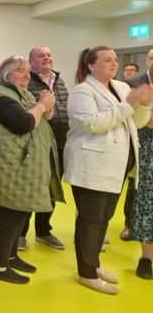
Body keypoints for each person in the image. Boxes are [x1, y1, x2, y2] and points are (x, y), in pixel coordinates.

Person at [64, 46, 153, 294]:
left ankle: (93, 263)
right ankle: (86, 273)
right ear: (91, 66)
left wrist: (143, 105)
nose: (113, 63)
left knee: (104, 219)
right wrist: (131, 103)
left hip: (117, 165)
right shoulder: (81, 91)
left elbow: (133, 121)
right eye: (107, 60)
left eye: (115, 59)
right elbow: (95, 123)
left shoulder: (121, 87)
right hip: (91, 166)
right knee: (90, 220)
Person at [0, 55, 63, 285]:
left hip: (22, 166)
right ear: (6, 74)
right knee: (10, 217)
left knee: (19, 214)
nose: (26, 75)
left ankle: (11, 256)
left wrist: (44, 107)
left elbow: (38, 118)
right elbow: (23, 123)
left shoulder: (18, 94)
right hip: (10, 167)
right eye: (19, 71)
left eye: (27, 71)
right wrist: (42, 105)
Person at [18, 46, 68, 251]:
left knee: (51, 187)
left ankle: (43, 231)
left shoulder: (60, 80)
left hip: (60, 142)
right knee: (30, 187)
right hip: (36, 142)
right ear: (31, 61)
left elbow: (65, 107)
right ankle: (20, 233)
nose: (46, 58)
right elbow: (25, 110)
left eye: (49, 54)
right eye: (41, 55)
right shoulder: (26, 81)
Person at [125, 53, 153, 279]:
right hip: (146, 149)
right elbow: (138, 118)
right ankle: (146, 258)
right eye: (152, 57)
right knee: (147, 201)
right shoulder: (134, 84)